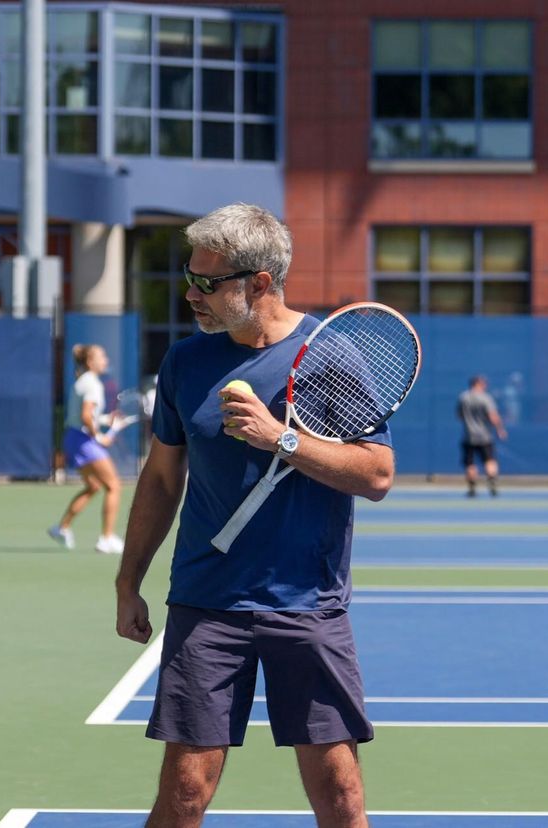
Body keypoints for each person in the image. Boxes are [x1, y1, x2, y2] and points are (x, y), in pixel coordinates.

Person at [114, 203, 394, 828]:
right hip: (206, 603)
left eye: (206, 283)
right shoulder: (186, 361)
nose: (191, 293)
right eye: (190, 277)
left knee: (340, 796)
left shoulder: (331, 358)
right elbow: (161, 479)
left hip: (307, 604)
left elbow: (376, 474)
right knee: (185, 792)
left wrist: (282, 439)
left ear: (259, 283)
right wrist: (127, 580)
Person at [47, 343, 124, 554]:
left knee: (94, 486)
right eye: (102, 357)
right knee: (114, 486)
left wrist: (109, 420)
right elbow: (85, 415)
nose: (105, 360)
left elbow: (88, 415)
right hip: (83, 439)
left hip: (72, 438)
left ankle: (62, 528)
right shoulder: (93, 384)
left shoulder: (82, 382)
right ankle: (106, 539)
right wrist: (99, 437)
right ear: (91, 362)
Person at [457, 375, 507, 497]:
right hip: (485, 437)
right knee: (490, 461)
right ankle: (492, 485)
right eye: (484, 383)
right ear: (478, 384)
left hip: (469, 436)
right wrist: (500, 429)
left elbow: (459, 415)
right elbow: (493, 416)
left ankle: (472, 488)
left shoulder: (463, 397)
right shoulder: (486, 398)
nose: (486, 386)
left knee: (470, 463)